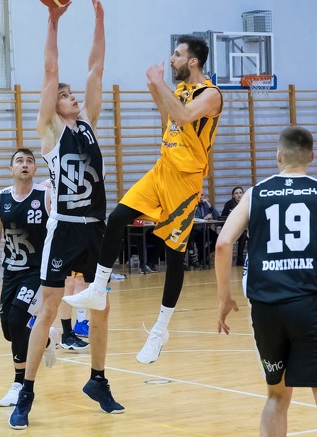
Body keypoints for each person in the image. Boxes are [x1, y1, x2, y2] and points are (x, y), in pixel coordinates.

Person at [64, 34, 223, 365]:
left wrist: (158, 82)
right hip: (162, 169)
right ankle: (98, 288)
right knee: (118, 218)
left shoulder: (211, 95)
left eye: (177, 55)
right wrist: (155, 89)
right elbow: (170, 120)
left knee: (174, 256)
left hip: (185, 182)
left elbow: (183, 117)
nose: (172, 59)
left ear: (193, 61)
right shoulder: (180, 91)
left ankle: (160, 331)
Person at [9, 0, 122, 430]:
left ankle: (98, 379)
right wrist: (53, 22)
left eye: (73, 94)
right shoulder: (50, 132)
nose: (73, 95)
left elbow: (97, 66)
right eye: (65, 94)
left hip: (96, 228)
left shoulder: (88, 122)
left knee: (101, 306)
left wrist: (99, 20)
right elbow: (50, 69)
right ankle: (26, 391)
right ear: (54, 104)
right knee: (50, 307)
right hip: (65, 227)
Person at [216, 126, 317, 435]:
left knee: (276, 397)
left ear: (278, 155)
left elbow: (222, 244)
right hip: (309, 304)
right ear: (312, 157)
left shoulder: (254, 194)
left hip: (264, 306)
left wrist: (224, 298)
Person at [0, 148, 61, 408]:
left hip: (37, 272)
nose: (25, 164)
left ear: (35, 169)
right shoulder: (0, 198)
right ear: (11, 169)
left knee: (17, 320)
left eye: (30, 161)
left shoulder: (46, 195)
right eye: (19, 161)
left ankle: (19, 385)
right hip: (11, 272)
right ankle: (47, 338)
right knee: (9, 331)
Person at [189, 194, 219, 267]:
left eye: (203, 196)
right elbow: (193, 219)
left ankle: (204, 256)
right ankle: (202, 258)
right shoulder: (192, 205)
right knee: (201, 241)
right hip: (196, 230)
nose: (201, 197)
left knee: (218, 240)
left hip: (206, 229)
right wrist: (204, 218)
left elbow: (216, 216)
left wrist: (210, 206)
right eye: (200, 195)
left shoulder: (206, 205)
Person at [220, 186, 247, 266]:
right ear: (233, 196)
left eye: (240, 193)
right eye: (236, 193)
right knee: (243, 235)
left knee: (246, 235)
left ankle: (241, 258)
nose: (239, 195)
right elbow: (222, 217)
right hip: (231, 229)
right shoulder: (229, 204)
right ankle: (235, 258)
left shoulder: (247, 203)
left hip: (244, 228)